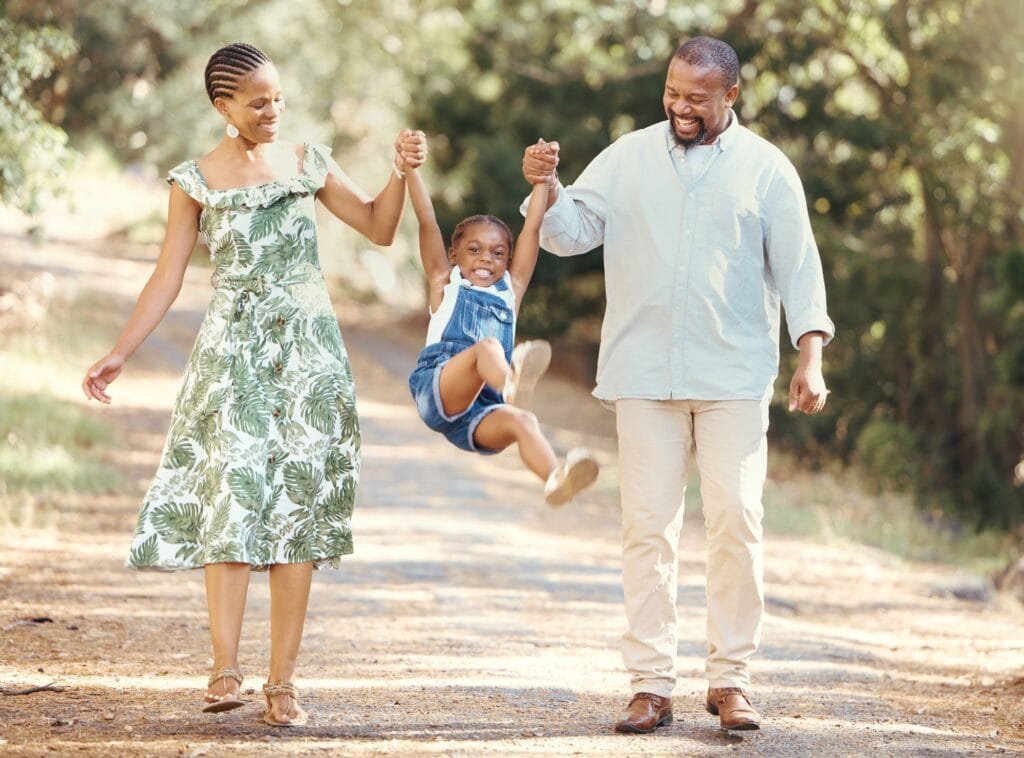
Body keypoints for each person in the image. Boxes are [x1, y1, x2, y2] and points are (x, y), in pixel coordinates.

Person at [81, 42, 425, 727]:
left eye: (278, 98)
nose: (273, 111)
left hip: (308, 356)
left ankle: (284, 684)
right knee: (232, 500)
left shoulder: (306, 162)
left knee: (296, 511)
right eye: (258, 101)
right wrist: (122, 351)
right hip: (232, 354)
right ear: (224, 108)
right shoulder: (193, 180)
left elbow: (381, 230)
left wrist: (401, 171)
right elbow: (168, 275)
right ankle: (223, 671)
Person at [521, 36, 834, 732]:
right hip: (643, 372)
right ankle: (650, 685)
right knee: (647, 529)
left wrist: (809, 356)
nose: (680, 106)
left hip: (734, 373)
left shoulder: (766, 169)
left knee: (737, 522)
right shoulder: (628, 155)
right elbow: (566, 234)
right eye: (672, 91)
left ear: (732, 95)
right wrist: (546, 185)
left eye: (696, 96)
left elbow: (799, 268)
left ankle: (730, 680)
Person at [405, 139, 599, 506]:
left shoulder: (511, 290)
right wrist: (411, 169)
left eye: (498, 253)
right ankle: (511, 383)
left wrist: (543, 177)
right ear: (454, 254)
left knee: (523, 421)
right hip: (440, 389)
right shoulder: (444, 284)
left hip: (480, 412)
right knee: (489, 349)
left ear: (508, 259)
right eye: (474, 250)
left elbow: (533, 227)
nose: (486, 259)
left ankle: (556, 479)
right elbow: (426, 217)